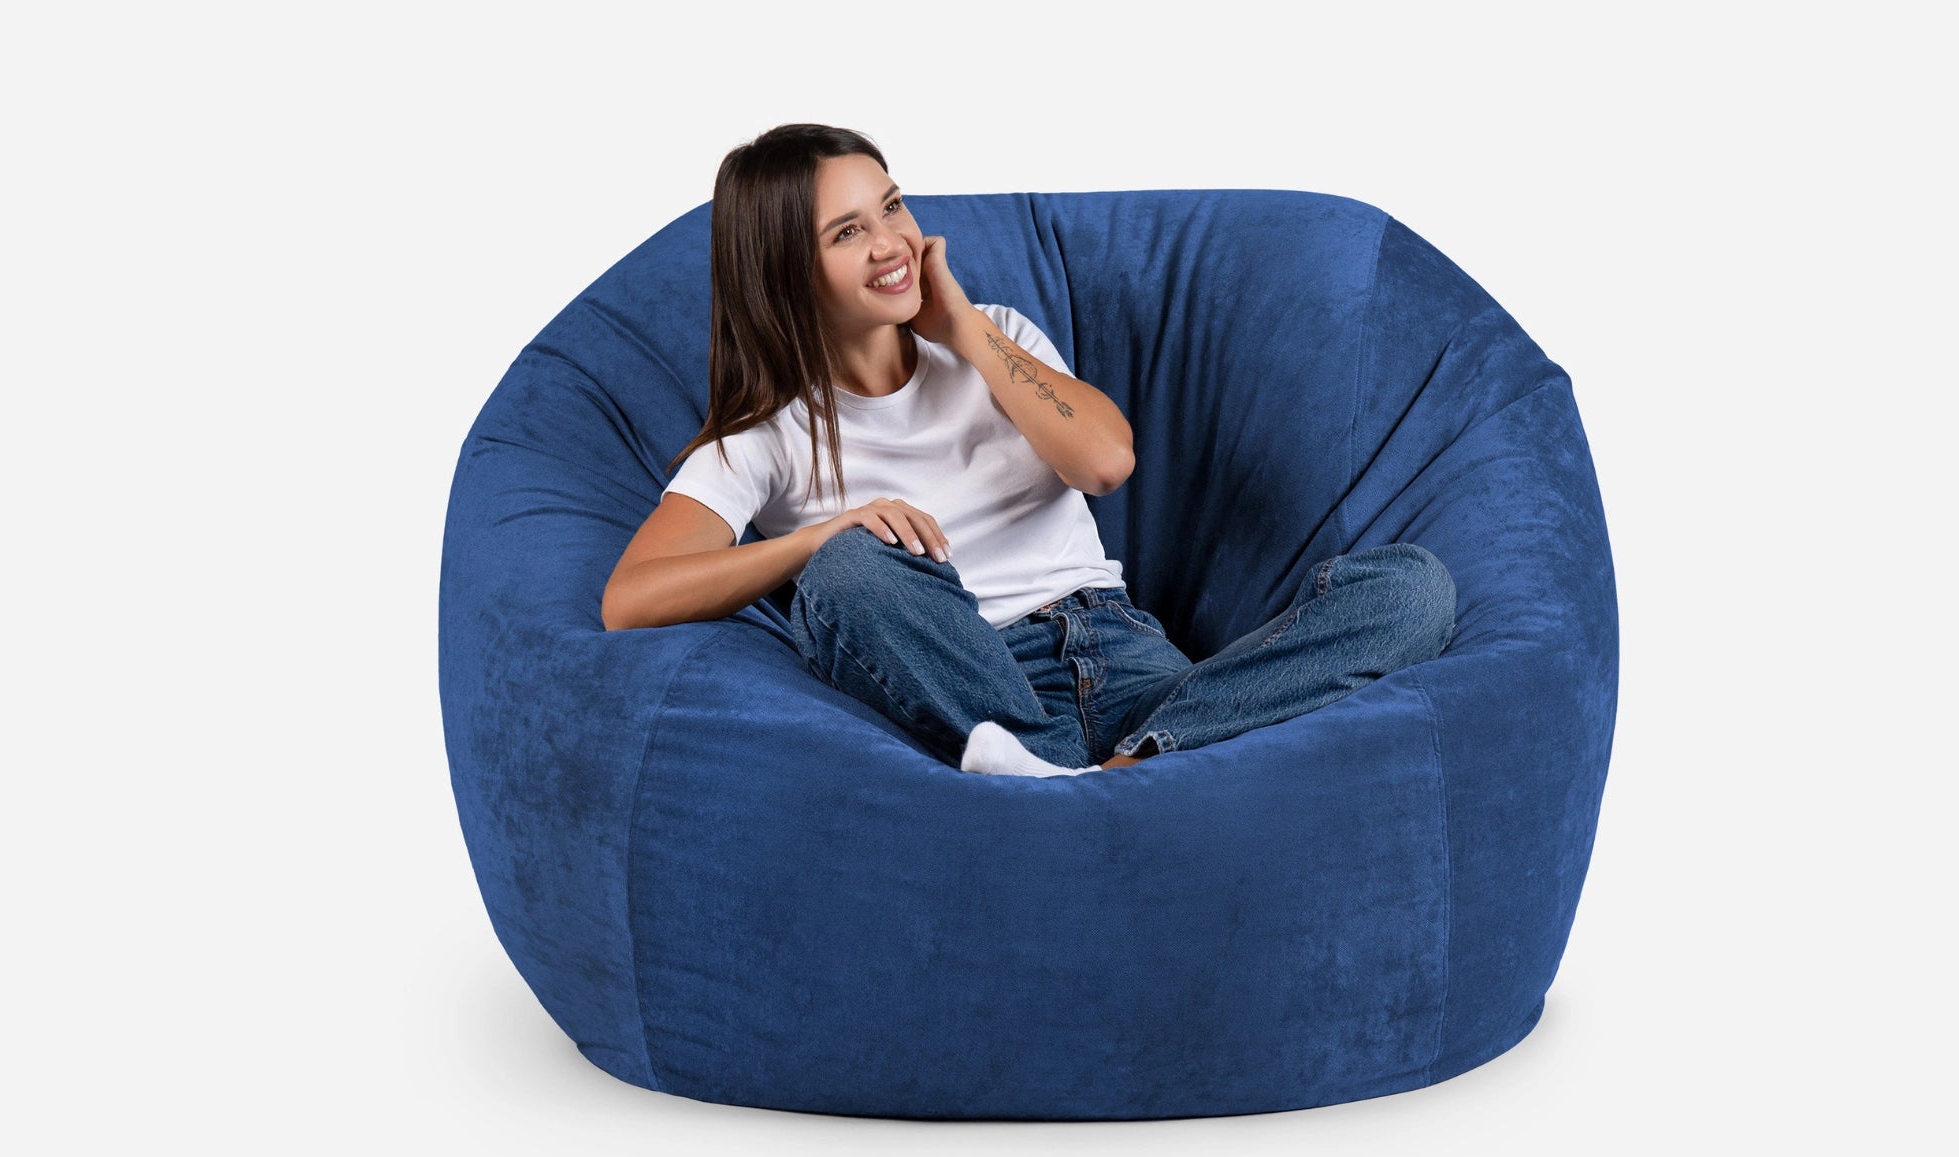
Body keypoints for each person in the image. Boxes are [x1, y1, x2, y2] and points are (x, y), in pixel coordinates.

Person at [598, 123, 1458, 776]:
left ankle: (1123, 771)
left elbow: (1105, 462)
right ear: (786, 269)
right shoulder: (769, 431)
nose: (891, 243)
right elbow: (632, 598)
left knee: (1412, 589)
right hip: (972, 681)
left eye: (892, 207)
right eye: (847, 232)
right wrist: (820, 538)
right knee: (847, 571)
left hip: (1128, 660)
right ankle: (1075, 775)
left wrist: (965, 331)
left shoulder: (998, 337)